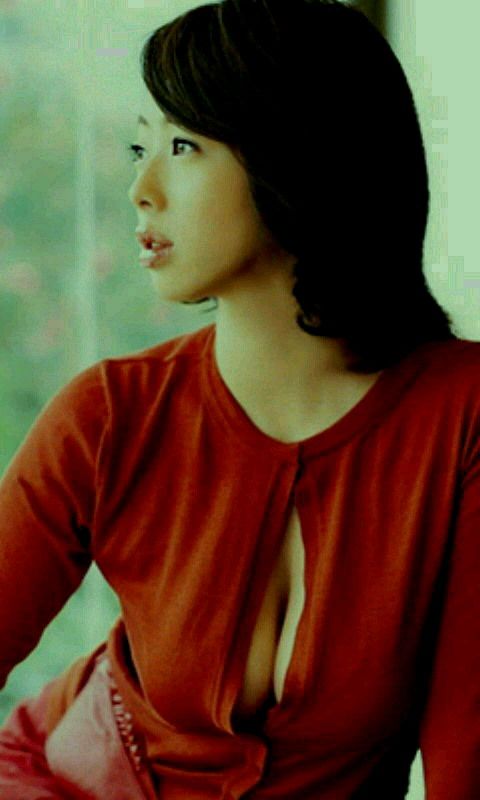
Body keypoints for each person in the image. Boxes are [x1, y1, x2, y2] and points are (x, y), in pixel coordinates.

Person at [0, 0, 479, 797]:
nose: (140, 189)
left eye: (183, 146)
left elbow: (469, 758)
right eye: (140, 147)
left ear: (297, 156)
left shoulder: (462, 415)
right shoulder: (109, 414)